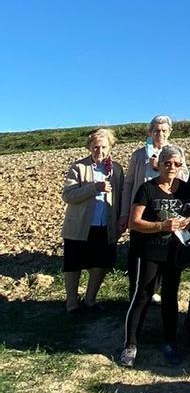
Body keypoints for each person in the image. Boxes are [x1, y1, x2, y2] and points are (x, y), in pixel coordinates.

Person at [119, 145, 190, 367]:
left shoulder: (186, 189)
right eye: (167, 163)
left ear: (182, 166)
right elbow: (135, 222)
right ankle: (130, 344)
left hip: (174, 252)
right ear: (159, 165)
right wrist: (162, 225)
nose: (172, 167)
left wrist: (188, 222)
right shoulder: (147, 189)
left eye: (177, 163)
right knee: (142, 295)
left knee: (171, 297)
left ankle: (170, 342)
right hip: (148, 251)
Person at [120, 115, 189, 299]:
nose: (160, 134)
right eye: (156, 130)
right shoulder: (139, 155)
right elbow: (128, 184)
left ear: (170, 132)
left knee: (165, 255)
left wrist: (162, 166)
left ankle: (155, 291)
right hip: (142, 213)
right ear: (150, 132)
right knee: (140, 257)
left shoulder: (177, 152)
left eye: (164, 130)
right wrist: (124, 214)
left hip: (167, 212)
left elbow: (184, 178)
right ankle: (137, 294)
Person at [61, 128, 124, 313]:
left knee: (101, 263)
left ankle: (90, 299)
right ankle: (71, 302)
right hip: (80, 226)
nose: (100, 151)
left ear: (111, 147)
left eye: (104, 147)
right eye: (95, 147)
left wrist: (121, 219)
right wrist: (94, 187)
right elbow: (68, 195)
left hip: (105, 225)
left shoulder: (117, 169)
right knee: (73, 264)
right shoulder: (78, 167)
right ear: (89, 147)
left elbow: (120, 195)